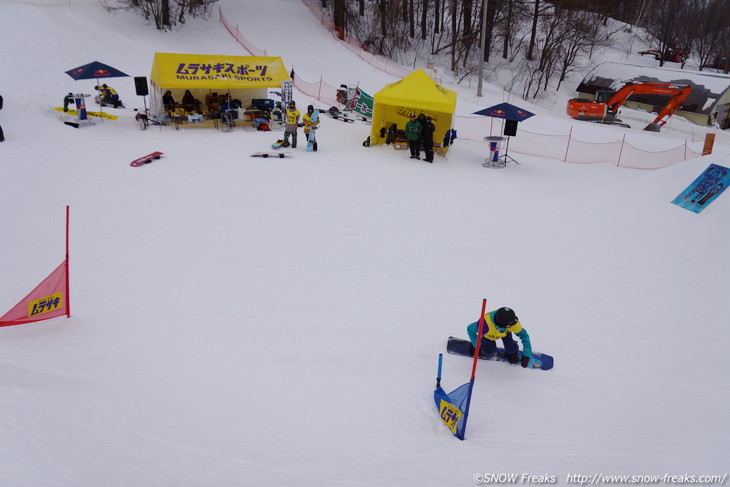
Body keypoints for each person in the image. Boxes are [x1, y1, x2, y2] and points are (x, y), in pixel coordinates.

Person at [467, 306, 538, 368]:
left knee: (511, 349)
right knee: (489, 350)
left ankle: (512, 353)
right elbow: (470, 329)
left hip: (505, 334)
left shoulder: (513, 323)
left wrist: (527, 354)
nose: (513, 324)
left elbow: (524, 336)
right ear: (502, 324)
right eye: (510, 324)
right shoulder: (485, 324)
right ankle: (482, 344)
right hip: (489, 335)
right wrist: (476, 344)